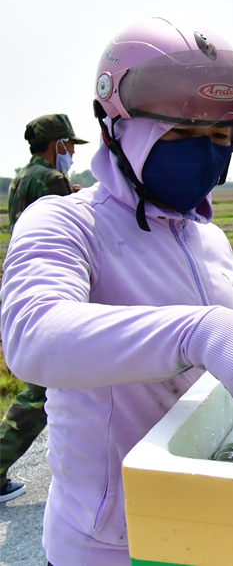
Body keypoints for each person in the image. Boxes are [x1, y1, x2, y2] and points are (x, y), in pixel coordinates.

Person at [0, 18, 233, 566]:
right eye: (181, 133)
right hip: (106, 546)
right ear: (115, 129)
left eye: (220, 137)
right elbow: (33, 336)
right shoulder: (67, 222)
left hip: (203, 526)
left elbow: (221, 378)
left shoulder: (212, 240)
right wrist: (202, 329)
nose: (206, 152)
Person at [1, 114, 88, 503]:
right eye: (70, 146)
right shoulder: (52, 181)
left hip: (24, 282)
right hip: (53, 284)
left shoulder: (21, 177)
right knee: (39, 392)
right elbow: (73, 225)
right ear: (60, 145)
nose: (71, 153)